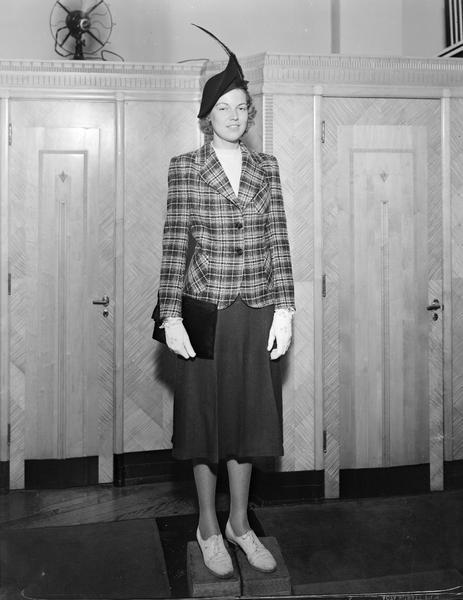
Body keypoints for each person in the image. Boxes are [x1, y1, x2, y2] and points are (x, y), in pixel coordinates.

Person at [157, 25, 295, 579]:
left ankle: (241, 524)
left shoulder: (268, 168)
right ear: (206, 114)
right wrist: (169, 314)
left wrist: (285, 307)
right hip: (204, 314)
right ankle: (208, 527)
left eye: (243, 107)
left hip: (256, 310)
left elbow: (279, 240)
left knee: (246, 423)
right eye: (224, 106)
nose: (236, 115)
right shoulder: (186, 168)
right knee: (206, 426)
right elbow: (173, 245)